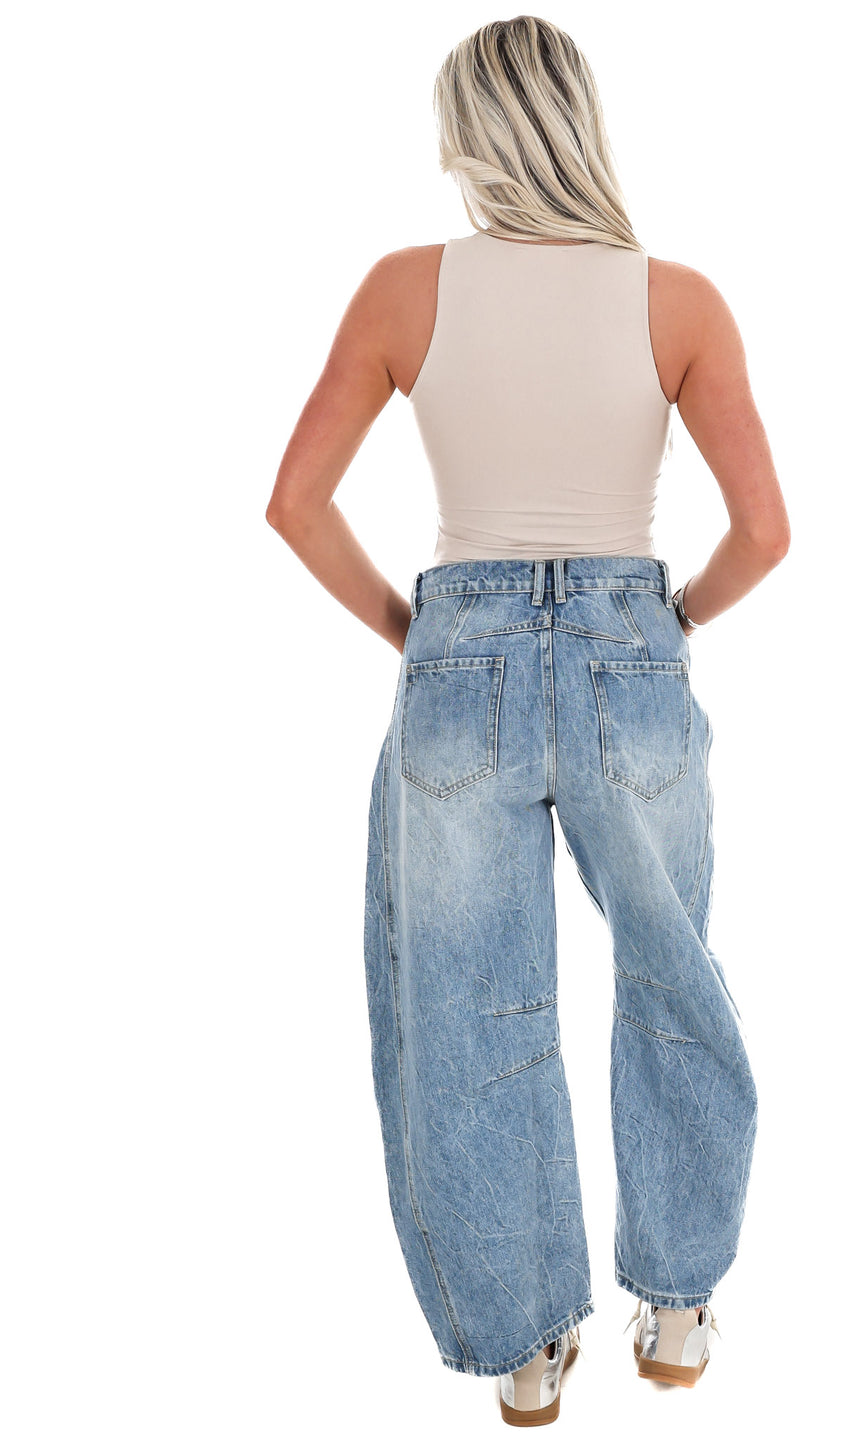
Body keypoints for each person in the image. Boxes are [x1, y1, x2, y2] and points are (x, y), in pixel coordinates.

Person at [266, 15, 790, 1428]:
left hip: (462, 667)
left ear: (467, 134)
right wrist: (670, 623)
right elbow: (764, 533)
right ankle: (676, 1310)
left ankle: (526, 1342)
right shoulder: (678, 301)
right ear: (580, 122)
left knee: (467, 1004)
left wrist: (416, 632)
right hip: (631, 656)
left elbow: (295, 504)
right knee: (674, 977)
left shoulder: (403, 291)